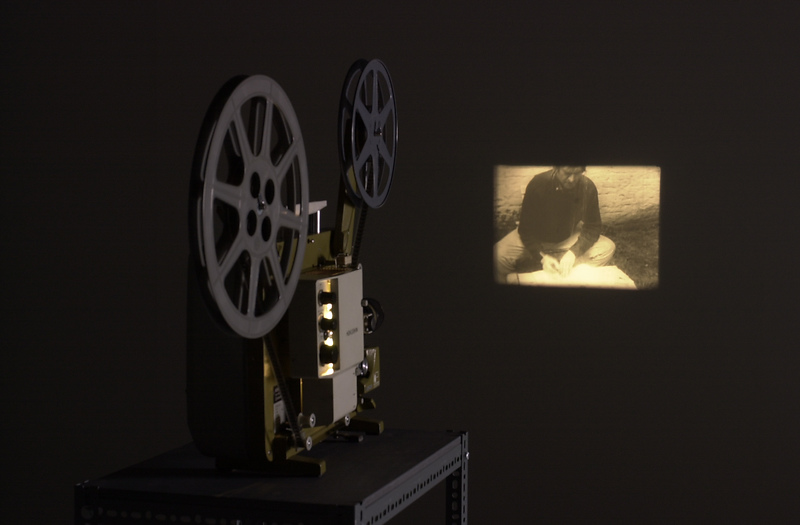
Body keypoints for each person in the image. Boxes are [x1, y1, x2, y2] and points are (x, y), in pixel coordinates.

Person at [495, 166, 615, 283]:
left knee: (607, 248)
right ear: (556, 169)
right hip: (537, 237)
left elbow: (593, 227)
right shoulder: (538, 183)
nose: (572, 179)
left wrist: (574, 253)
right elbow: (525, 230)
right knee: (498, 255)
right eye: (567, 173)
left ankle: (570, 275)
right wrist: (542, 257)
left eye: (577, 173)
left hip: (567, 237)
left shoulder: (588, 187)